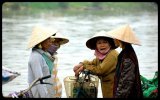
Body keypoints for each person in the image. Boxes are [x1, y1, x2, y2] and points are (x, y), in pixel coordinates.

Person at [73, 30, 119, 98]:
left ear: (110, 44)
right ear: (96, 46)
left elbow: (100, 70)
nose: (102, 45)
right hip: (107, 89)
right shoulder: (102, 57)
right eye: (99, 43)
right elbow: (92, 63)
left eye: (105, 42)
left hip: (116, 90)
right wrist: (81, 64)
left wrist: (84, 67)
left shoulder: (112, 54)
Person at [106, 24, 143, 98]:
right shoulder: (125, 53)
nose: (113, 40)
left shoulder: (127, 57)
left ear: (119, 40)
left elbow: (126, 82)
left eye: (115, 38)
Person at [27, 26, 60, 98]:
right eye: (48, 39)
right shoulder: (36, 57)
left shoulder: (41, 55)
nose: (51, 42)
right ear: (41, 42)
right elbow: (39, 81)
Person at [47, 32, 69, 97]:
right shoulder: (42, 57)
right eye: (54, 42)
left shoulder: (55, 57)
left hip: (57, 91)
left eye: (58, 43)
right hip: (49, 93)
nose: (56, 45)